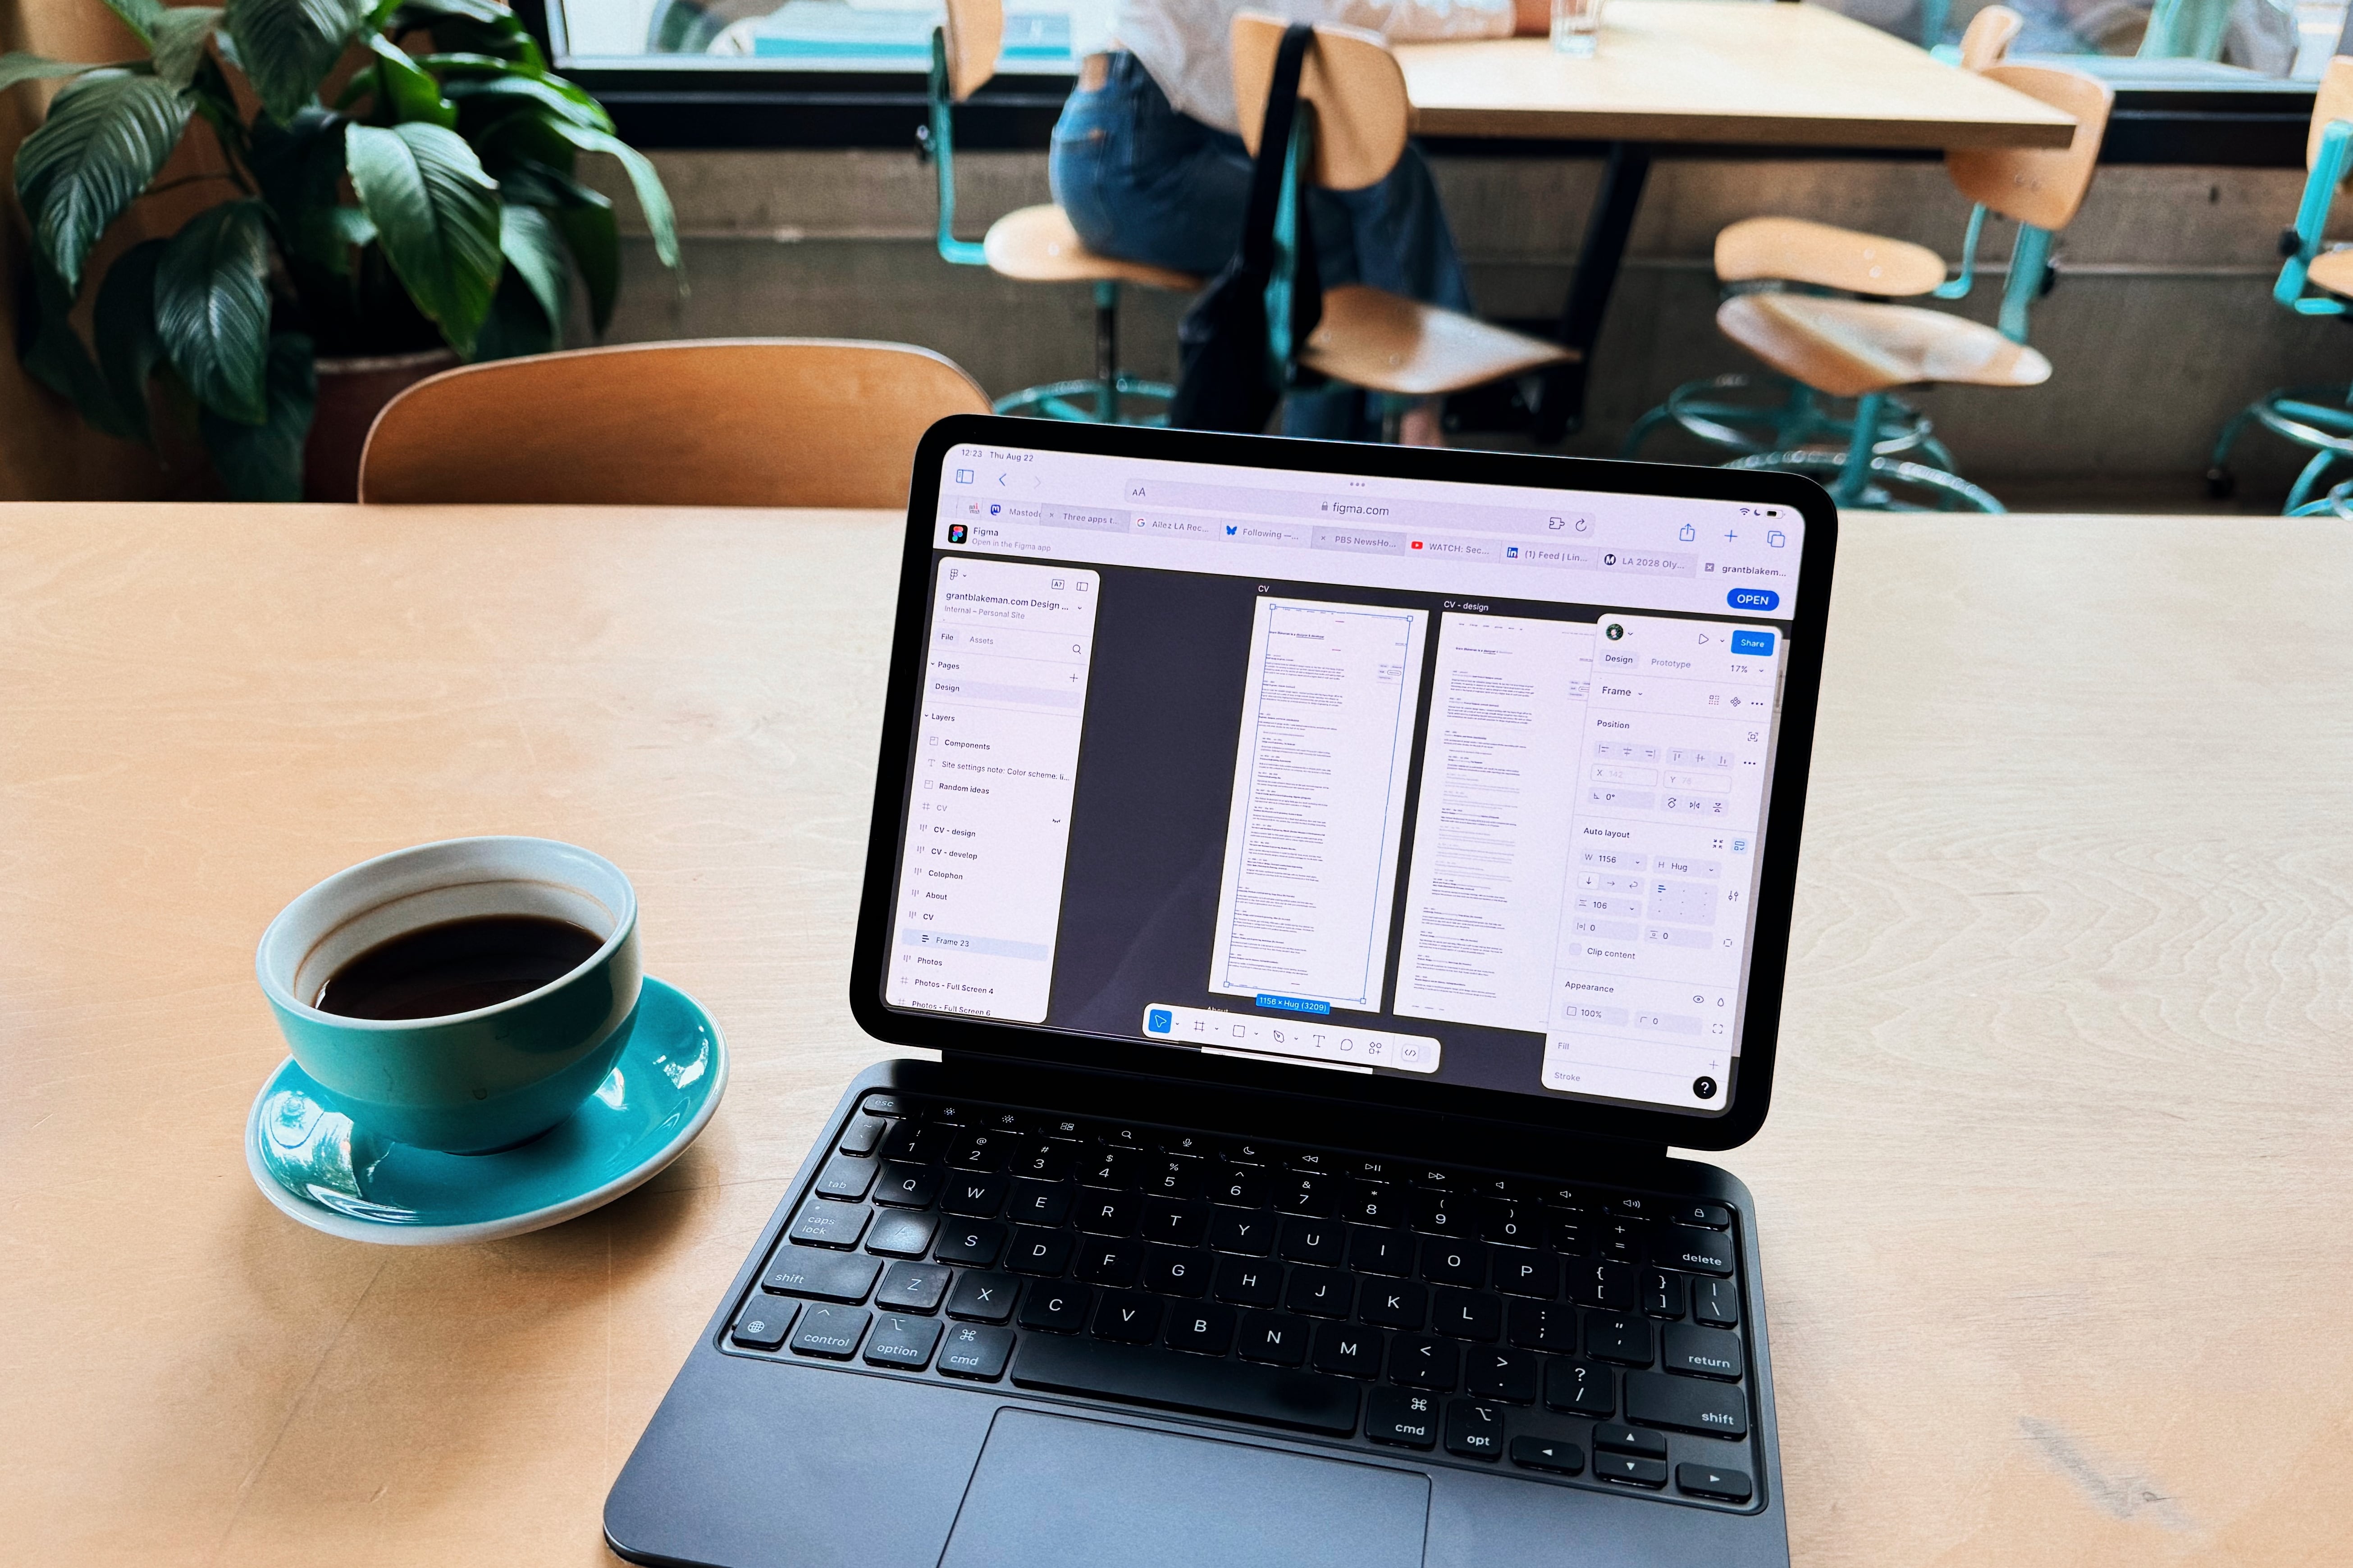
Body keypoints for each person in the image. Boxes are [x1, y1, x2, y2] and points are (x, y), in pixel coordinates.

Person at [1051, 0, 1550, 443]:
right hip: (1131, 162)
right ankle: (1365, 445)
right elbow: (1337, 14)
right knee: (1324, 228)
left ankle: (1397, 423)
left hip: (1110, 140)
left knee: (1381, 175)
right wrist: (1508, 13)